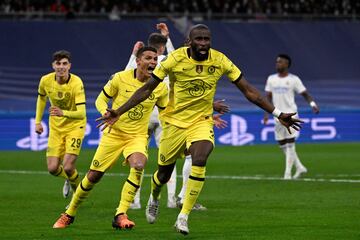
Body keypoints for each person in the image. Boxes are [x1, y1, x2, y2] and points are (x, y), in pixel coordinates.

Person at [96, 24, 302, 235]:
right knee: (163, 173)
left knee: (201, 157)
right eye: (199, 39)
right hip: (174, 123)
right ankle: (155, 196)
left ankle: (183, 216)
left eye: (207, 39)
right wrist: (118, 111)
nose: (203, 43)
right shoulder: (175, 59)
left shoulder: (220, 60)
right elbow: (148, 88)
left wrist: (278, 113)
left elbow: (248, 90)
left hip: (201, 121)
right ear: (190, 41)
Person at [53, 46, 169, 229]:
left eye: (155, 59)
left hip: (137, 135)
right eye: (148, 58)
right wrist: (104, 112)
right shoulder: (119, 78)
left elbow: (166, 112)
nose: (153, 62)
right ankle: (69, 213)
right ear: (138, 61)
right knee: (93, 176)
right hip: (113, 135)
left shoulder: (160, 87)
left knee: (139, 165)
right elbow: (100, 99)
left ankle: (121, 214)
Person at [125, 22, 207, 210]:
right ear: (162, 46)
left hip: (143, 113)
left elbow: (126, 74)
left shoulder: (141, 61)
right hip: (164, 113)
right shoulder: (171, 59)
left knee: (138, 158)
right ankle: (171, 200)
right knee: (168, 159)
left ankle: (134, 201)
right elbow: (177, 55)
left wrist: (133, 54)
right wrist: (168, 36)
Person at [35, 50, 86, 199]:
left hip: (75, 126)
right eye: (58, 64)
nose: (61, 67)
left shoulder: (76, 82)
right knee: (52, 168)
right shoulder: (45, 80)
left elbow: (82, 113)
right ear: (53, 66)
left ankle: (78, 195)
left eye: (64, 64)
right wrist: (38, 121)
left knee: (69, 166)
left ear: (69, 66)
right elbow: (42, 99)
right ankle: (69, 179)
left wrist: (63, 113)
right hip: (56, 128)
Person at [263, 54, 319, 180]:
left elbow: (305, 94)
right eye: (277, 62)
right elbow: (268, 97)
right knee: (282, 143)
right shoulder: (271, 79)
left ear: (287, 64)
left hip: (290, 115)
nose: (277, 64)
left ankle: (287, 174)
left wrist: (313, 104)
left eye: (280, 62)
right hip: (277, 115)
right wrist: (266, 113)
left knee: (290, 143)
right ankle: (299, 167)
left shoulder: (294, 79)